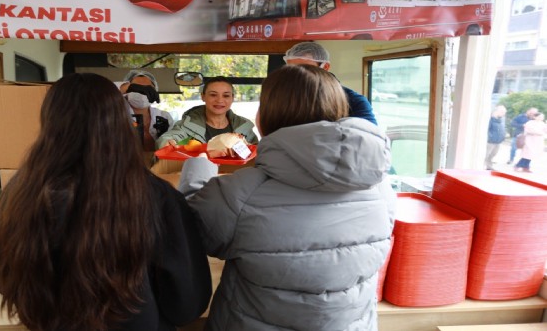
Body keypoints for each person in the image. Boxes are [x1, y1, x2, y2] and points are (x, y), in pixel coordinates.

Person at [0, 73, 211, 331]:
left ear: (49, 120)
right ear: (120, 120)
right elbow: (187, 302)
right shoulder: (155, 195)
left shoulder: (22, 190)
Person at [177, 65, 395, 331]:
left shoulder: (240, 193)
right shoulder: (382, 187)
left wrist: (198, 168)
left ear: (266, 115)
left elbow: (188, 231)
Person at [283, 41, 377, 125]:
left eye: (305, 69)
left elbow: (371, 140)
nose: (297, 75)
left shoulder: (353, 101)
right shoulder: (282, 97)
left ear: (325, 66)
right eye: (291, 69)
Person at [155, 76, 258, 148]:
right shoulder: (187, 125)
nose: (220, 100)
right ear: (203, 97)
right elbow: (167, 138)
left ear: (232, 98)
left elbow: (255, 153)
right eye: (213, 95)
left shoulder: (244, 128)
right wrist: (167, 143)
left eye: (226, 95)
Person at [121, 69, 175, 153]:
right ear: (125, 91)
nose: (142, 92)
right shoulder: (116, 117)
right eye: (137, 88)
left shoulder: (164, 117)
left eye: (148, 89)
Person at [485, 105, 507, 170]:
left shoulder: (501, 120)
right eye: (502, 112)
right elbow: (487, 129)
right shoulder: (490, 119)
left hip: (498, 141)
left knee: (493, 154)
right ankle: (485, 166)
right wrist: (490, 137)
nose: (504, 114)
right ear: (497, 111)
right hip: (490, 141)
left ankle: (489, 166)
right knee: (486, 154)